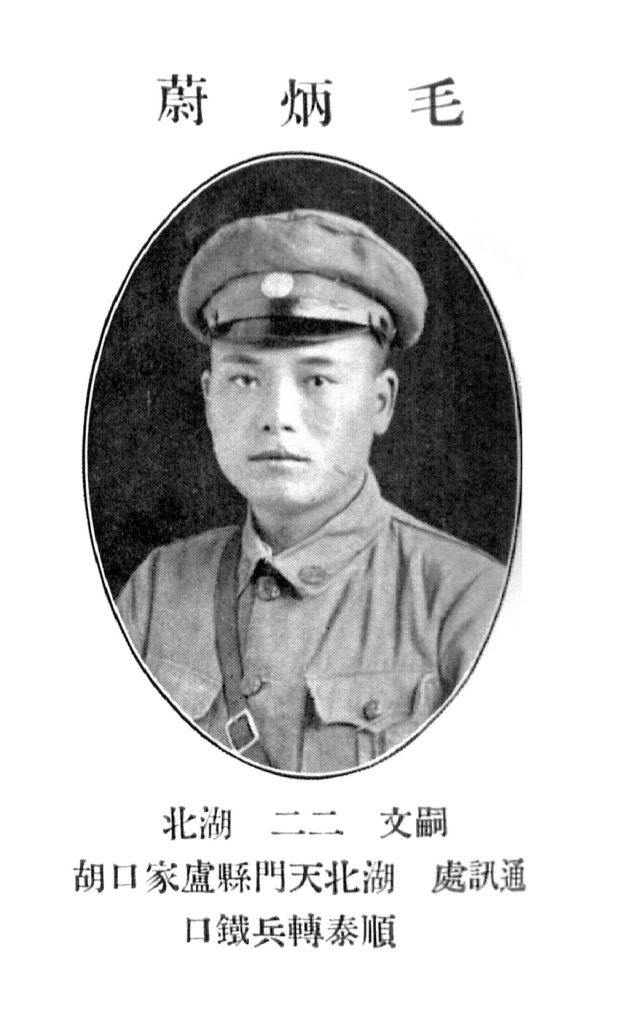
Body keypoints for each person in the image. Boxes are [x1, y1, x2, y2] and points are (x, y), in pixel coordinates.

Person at [117, 208, 507, 774]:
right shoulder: (157, 591)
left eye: (317, 379)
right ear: (208, 396)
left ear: (380, 402)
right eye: (244, 379)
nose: (277, 416)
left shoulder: (466, 603)